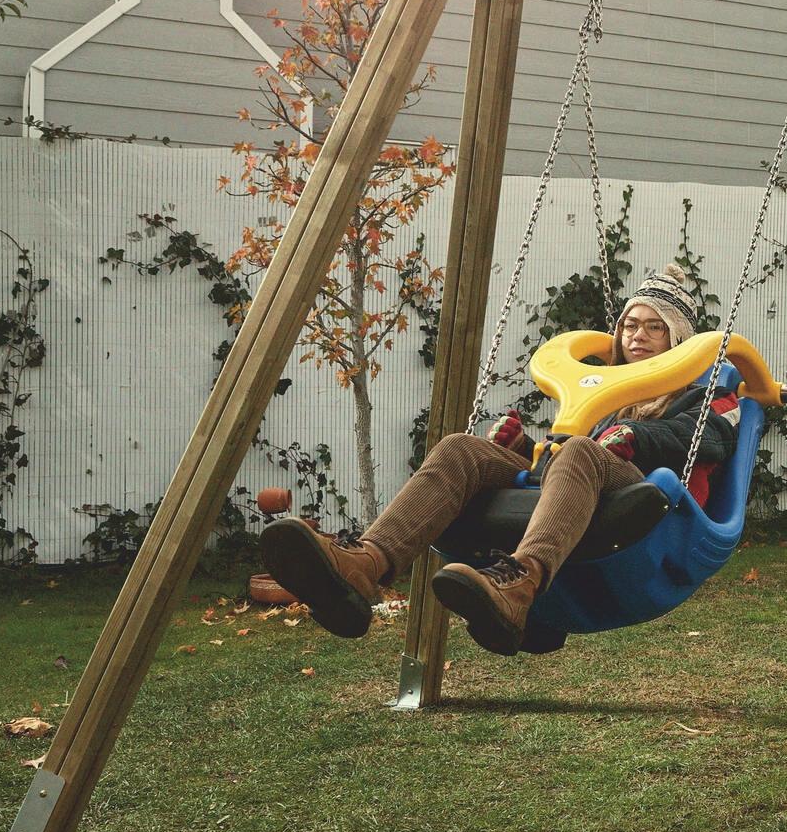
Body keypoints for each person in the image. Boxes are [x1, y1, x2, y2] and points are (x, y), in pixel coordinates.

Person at [260, 263, 741, 656]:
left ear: (679, 338)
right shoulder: (609, 395)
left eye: (655, 327)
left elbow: (710, 439)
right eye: (630, 326)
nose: (638, 336)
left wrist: (636, 434)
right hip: (589, 489)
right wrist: (522, 449)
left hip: (657, 507)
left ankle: (520, 585)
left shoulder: (707, 394)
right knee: (460, 449)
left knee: (580, 449)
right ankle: (367, 564)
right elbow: (565, 471)